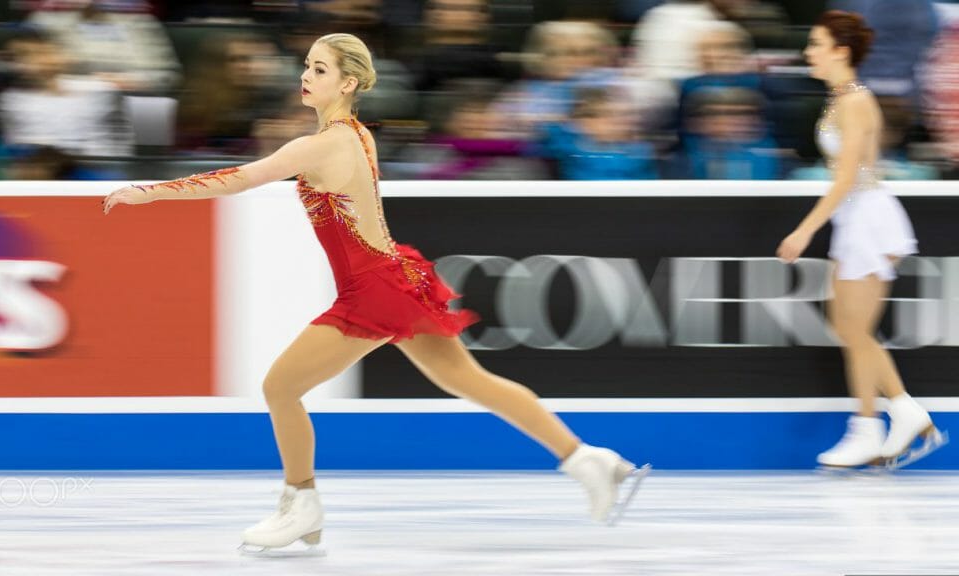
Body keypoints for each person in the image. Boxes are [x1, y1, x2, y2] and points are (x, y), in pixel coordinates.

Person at [102, 33, 649, 551]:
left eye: (320, 68)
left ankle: (301, 504)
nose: (306, 75)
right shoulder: (355, 134)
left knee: (280, 388)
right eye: (307, 65)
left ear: (346, 83)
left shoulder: (319, 146)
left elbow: (242, 178)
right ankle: (588, 460)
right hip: (396, 275)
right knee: (469, 380)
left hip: (372, 289)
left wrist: (149, 193)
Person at [776, 11, 947, 470]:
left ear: (840, 50)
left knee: (853, 330)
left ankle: (881, 421)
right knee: (850, 328)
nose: (808, 51)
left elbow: (848, 175)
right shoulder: (840, 99)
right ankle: (892, 418)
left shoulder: (853, 102)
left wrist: (805, 228)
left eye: (816, 43)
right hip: (857, 217)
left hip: (868, 217)